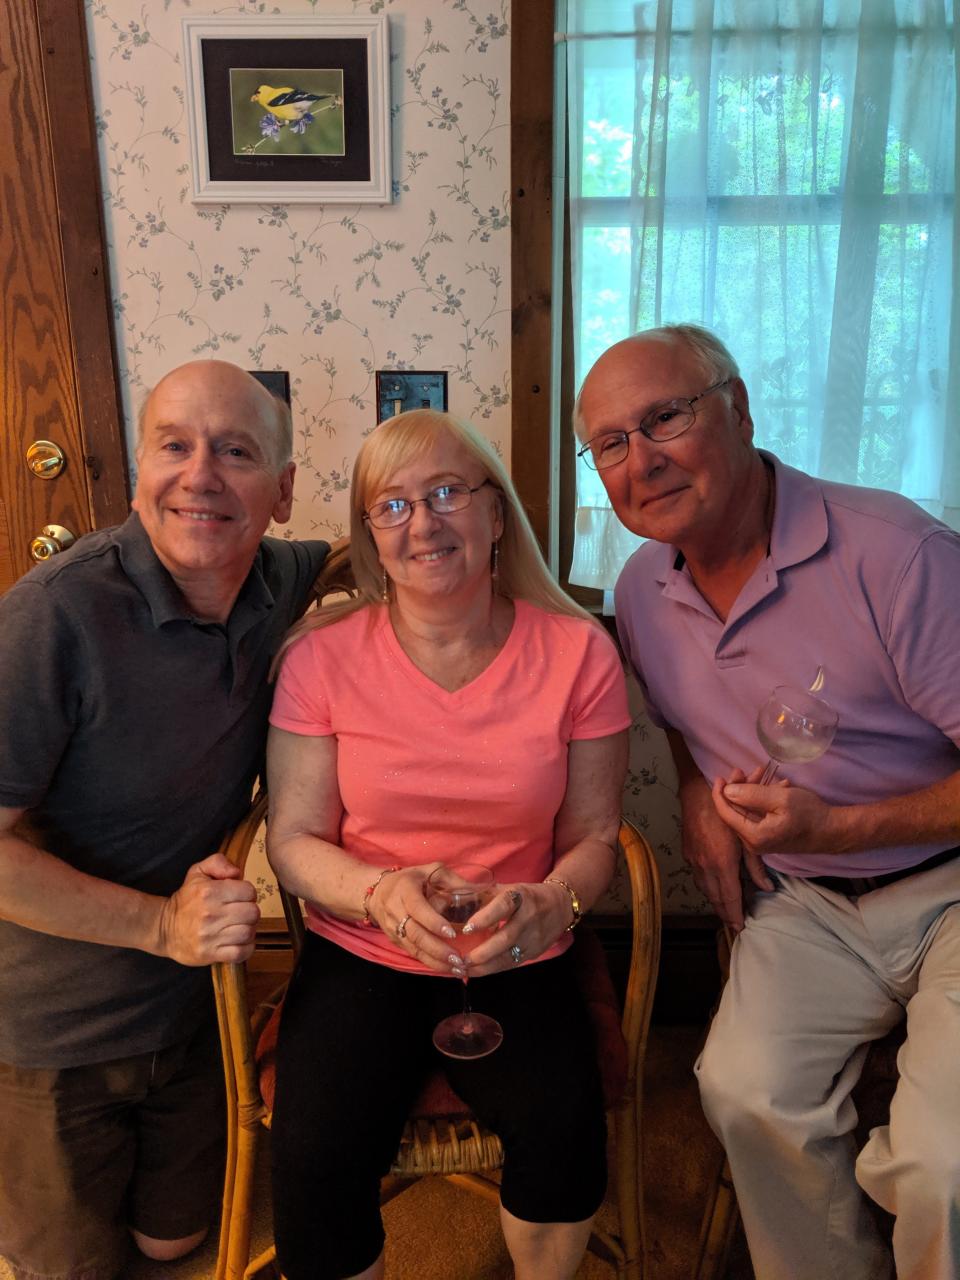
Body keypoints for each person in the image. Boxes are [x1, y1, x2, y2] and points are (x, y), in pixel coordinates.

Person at [575, 322, 960, 1280]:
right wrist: (701, 792)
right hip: (809, 904)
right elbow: (684, 722)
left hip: (952, 890)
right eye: (611, 444)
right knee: (741, 1091)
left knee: (939, 1163)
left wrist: (845, 828)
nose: (642, 460)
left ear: (741, 410)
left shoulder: (900, 556)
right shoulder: (642, 589)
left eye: (666, 416)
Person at [266, 408, 630, 1280]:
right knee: (313, 1157)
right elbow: (293, 840)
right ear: (372, 539)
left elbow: (594, 839)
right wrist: (376, 893)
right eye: (390, 507)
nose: (421, 523)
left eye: (445, 494)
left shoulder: (579, 653)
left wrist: (552, 903)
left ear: (496, 513)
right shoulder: (322, 658)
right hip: (364, 944)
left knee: (563, 1129)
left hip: (519, 947)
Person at [0, 360, 330, 1280]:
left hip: (191, 1014)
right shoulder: (52, 617)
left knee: (174, 1245)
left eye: (235, 451)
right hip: (48, 1032)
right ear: (138, 467)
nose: (201, 476)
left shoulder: (280, 578)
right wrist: (159, 924)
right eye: (174, 446)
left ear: (284, 489)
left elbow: (382, 557)